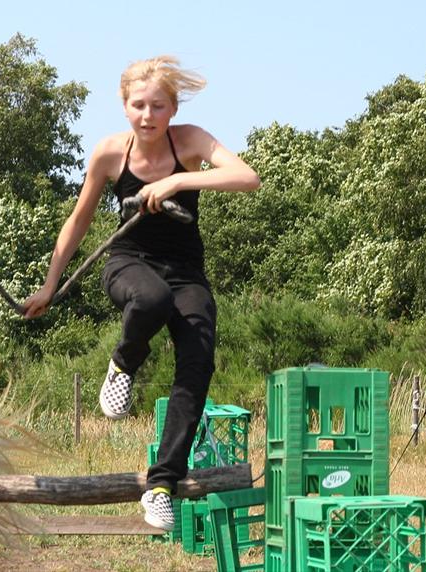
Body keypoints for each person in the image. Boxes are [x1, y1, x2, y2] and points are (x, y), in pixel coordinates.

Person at [22, 56, 260, 530]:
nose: (147, 116)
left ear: (172, 108)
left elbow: (247, 178)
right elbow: (78, 220)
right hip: (128, 264)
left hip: (186, 272)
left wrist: (178, 178)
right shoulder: (110, 153)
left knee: (198, 361)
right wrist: (51, 284)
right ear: (124, 104)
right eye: (138, 105)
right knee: (151, 299)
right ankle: (123, 363)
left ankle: (161, 485)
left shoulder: (189, 140)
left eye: (157, 106)